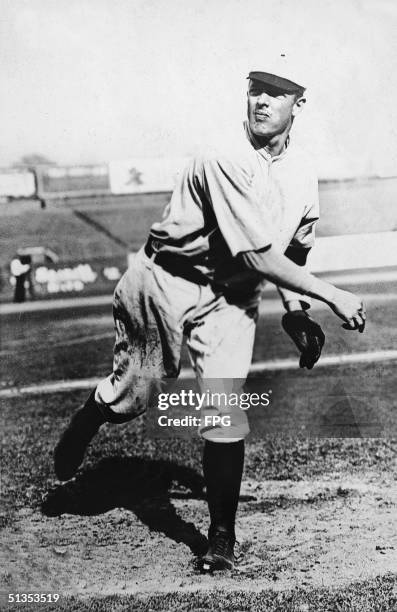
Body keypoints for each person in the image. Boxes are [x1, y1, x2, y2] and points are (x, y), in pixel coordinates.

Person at [54, 56, 366, 572]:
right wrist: (333, 295)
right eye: (256, 88)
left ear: (298, 103)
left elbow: (293, 249)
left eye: (278, 91)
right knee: (137, 395)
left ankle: (221, 539)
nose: (263, 100)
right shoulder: (223, 154)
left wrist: (295, 308)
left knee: (223, 410)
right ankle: (95, 413)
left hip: (231, 299)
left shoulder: (303, 173)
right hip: (165, 282)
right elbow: (257, 255)